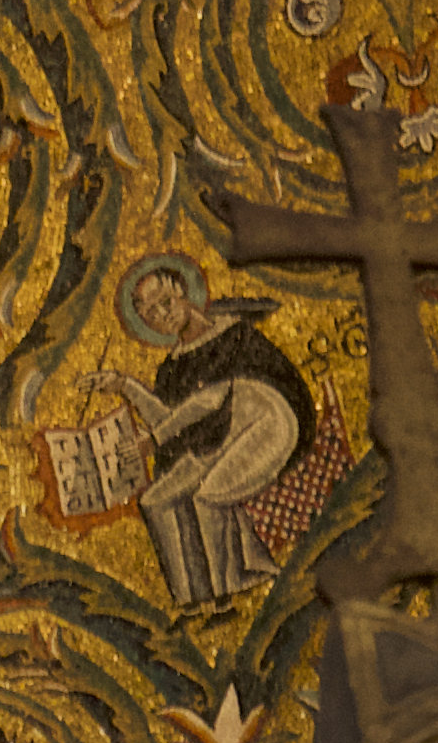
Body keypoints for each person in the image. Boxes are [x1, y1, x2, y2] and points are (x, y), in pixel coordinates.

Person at [117, 253, 312, 608]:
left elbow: (209, 402)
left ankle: (226, 596)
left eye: (166, 302)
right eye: (152, 314)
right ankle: (191, 599)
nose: (163, 316)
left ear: (185, 294)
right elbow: (172, 422)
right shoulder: (171, 369)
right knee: (154, 500)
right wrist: (125, 385)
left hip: (263, 427)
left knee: (207, 496)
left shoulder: (234, 336)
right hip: (212, 444)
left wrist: (158, 439)